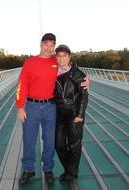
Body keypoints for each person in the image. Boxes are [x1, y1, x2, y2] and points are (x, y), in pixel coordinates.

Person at [15, 33, 89, 184]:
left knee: (49, 140)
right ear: (40, 45)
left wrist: (87, 80)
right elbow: (21, 85)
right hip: (31, 106)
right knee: (29, 139)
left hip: (51, 106)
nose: (48, 48)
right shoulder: (30, 62)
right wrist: (20, 107)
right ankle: (28, 170)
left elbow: (71, 68)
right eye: (46, 45)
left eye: (51, 45)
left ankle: (48, 170)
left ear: (53, 47)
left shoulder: (55, 62)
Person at [54, 44, 88, 183]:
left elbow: (84, 95)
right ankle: (70, 169)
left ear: (69, 57)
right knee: (59, 145)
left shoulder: (78, 74)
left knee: (74, 145)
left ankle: (71, 173)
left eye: (65, 56)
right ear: (56, 58)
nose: (62, 59)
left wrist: (80, 115)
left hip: (74, 114)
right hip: (59, 114)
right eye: (59, 56)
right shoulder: (53, 72)